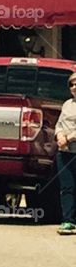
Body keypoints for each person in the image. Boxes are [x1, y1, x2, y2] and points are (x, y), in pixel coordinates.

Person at [55, 71, 76, 233]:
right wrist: (59, 135)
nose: (74, 87)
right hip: (65, 153)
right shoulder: (67, 104)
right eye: (72, 84)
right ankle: (68, 221)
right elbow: (59, 124)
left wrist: (68, 138)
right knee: (67, 187)